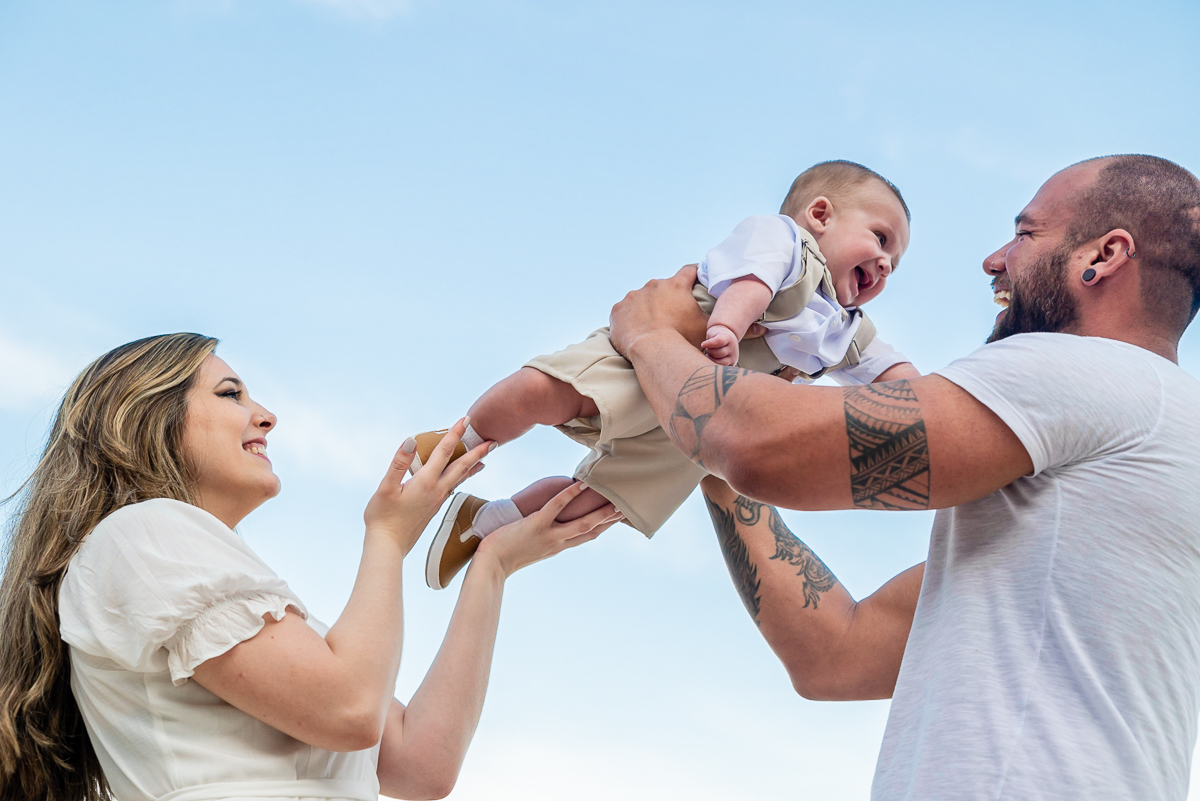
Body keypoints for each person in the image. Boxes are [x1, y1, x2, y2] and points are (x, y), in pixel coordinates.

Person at [606, 154, 1200, 799]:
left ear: (1105, 256)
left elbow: (759, 447)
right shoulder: (1126, 454)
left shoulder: (1090, 370)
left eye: (1026, 234)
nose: (994, 260)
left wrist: (650, 336)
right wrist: (713, 467)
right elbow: (836, 655)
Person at [0, 333, 622, 801]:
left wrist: (492, 566)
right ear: (142, 417)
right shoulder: (141, 533)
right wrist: (386, 537)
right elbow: (351, 711)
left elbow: (418, 765)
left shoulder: (205, 578)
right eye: (229, 394)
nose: (265, 414)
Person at [414, 160, 918, 590]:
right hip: (662, 353)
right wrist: (727, 324)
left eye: (895, 263)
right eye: (880, 238)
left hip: (694, 427)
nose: (886, 264)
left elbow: (899, 380)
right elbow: (753, 282)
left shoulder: (848, 329)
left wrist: (933, 394)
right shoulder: (786, 242)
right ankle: (458, 441)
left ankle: (483, 522)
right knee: (542, 392)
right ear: (821, 215)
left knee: (599, 503)